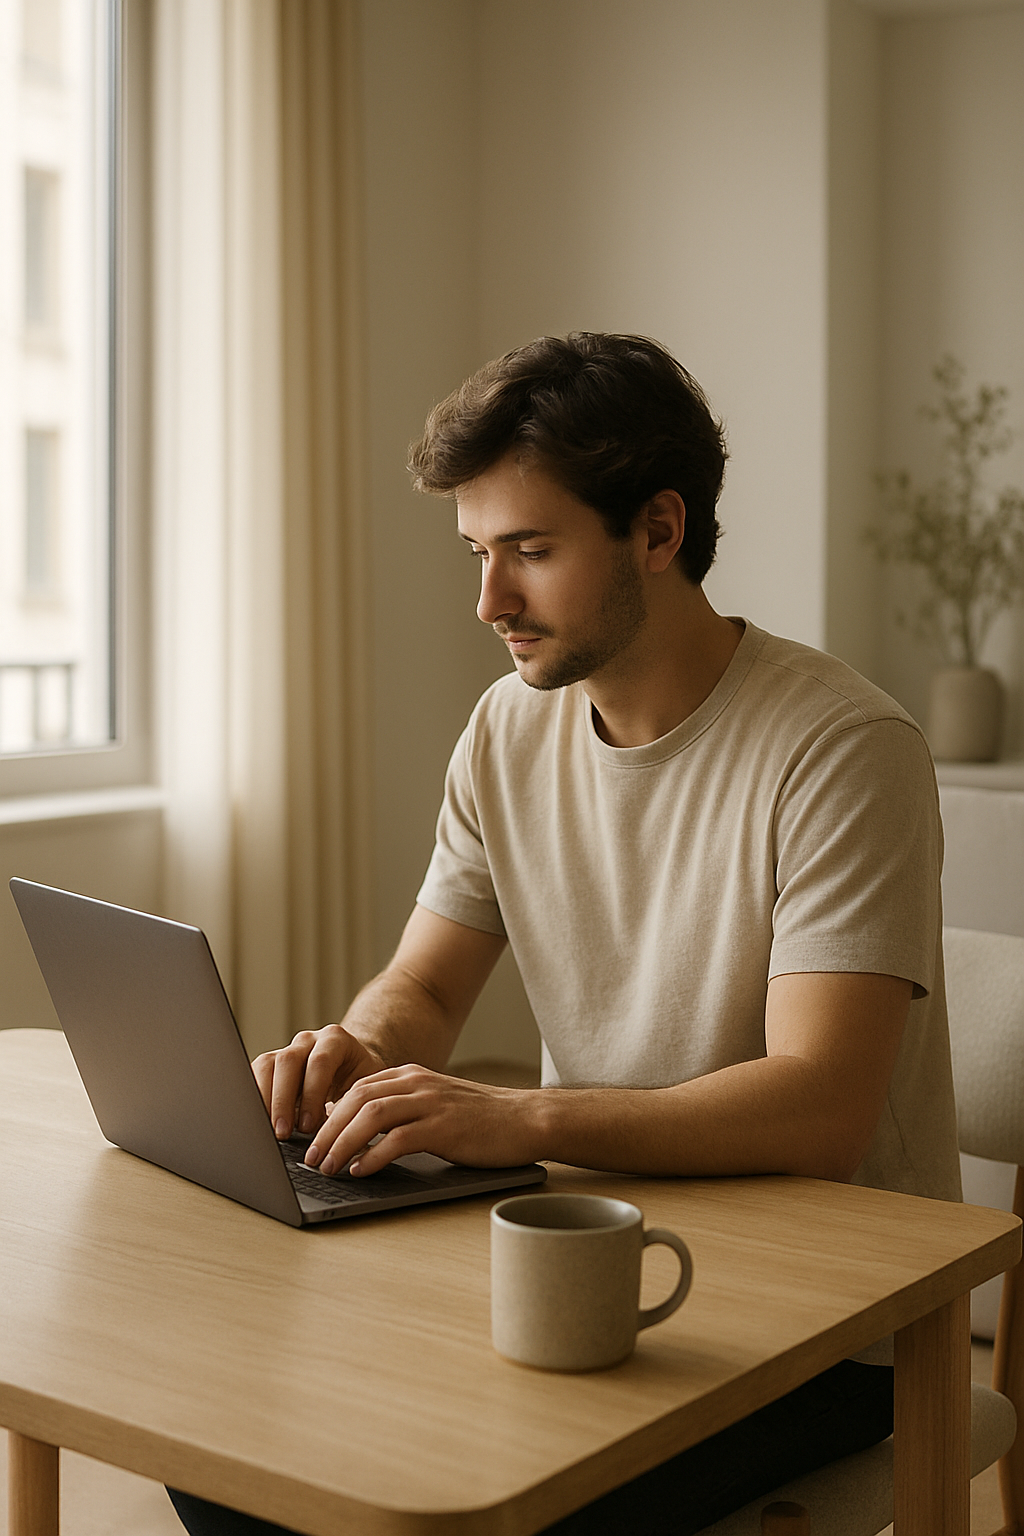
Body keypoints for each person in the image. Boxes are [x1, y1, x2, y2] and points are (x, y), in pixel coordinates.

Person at [168, 333, 961, 1536]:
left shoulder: (842, 750)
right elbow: (424, 992)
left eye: (529, 552)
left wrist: (512, 1115)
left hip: (829, 1328)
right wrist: (357, 1048)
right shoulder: (506, 730)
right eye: (479, 553)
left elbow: (821, 1112)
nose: (488, 602)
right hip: (581, 1254)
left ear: (656, 529)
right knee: (235, 1461)